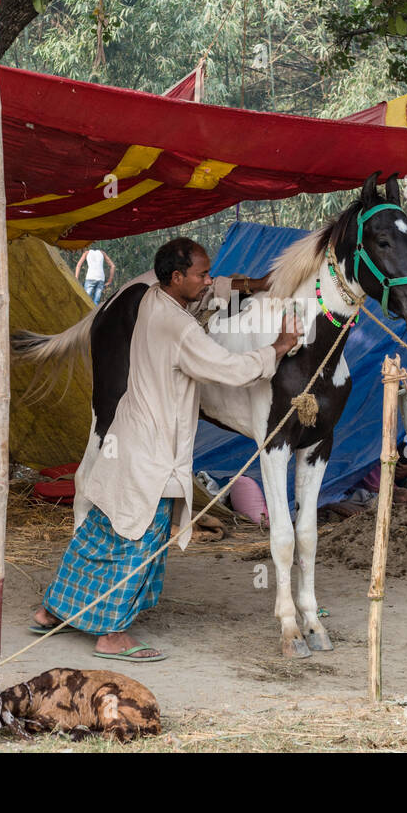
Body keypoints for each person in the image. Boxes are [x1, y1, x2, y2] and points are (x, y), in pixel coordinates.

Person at [31, 238, 296, 661]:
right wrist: (277, 348)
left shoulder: (154, 300)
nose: (208, 280)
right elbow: (229, 369)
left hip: (127, 441)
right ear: (177, 278)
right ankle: (111, 635)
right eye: (202, 274)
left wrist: (247, 285)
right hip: (152, 452)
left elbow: (209, 295)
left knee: (100, 531)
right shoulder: (180, 327)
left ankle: (51, 611)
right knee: (140, 539)